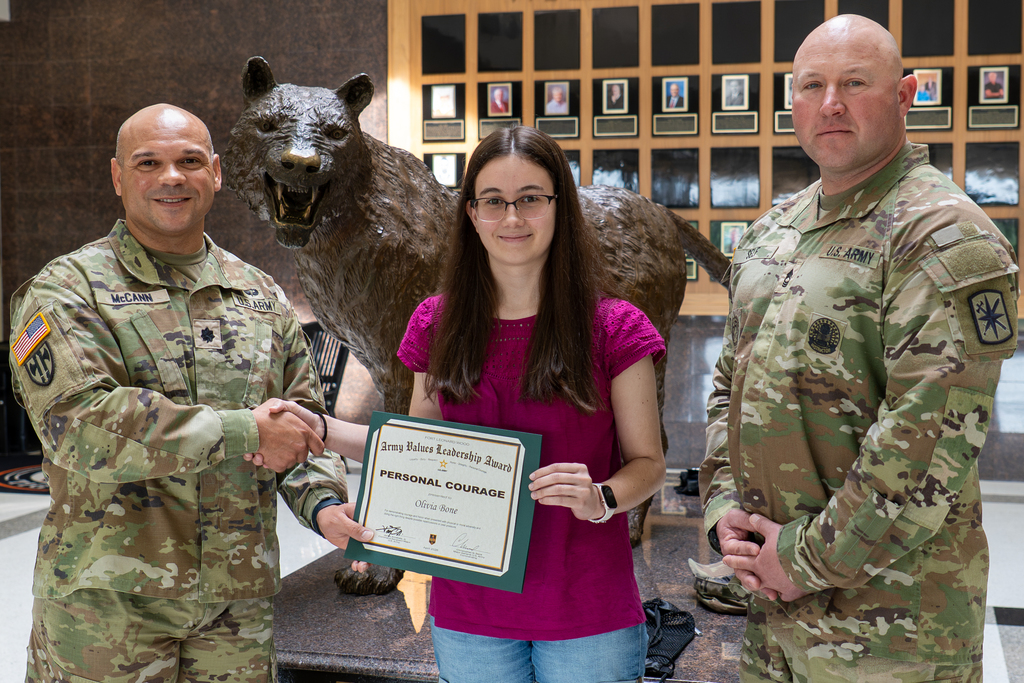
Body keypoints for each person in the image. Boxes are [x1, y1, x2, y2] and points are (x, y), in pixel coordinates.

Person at [272, 126, 667, 683]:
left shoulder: (614, 327)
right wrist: (320, 427)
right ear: (472, 213)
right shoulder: (436, 323)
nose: (512, 218)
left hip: (586, 608)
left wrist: (602, 497)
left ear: (561, 207)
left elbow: (649, 464)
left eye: (531, 198)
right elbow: (416, 451)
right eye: (494, 201)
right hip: (469, 614)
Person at [700, 14, 1018, 683]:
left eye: (854, 83)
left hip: (892, 632)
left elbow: (924, 444)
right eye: (812, 85)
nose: (831, 103)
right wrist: (724, 510)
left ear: (905, 95)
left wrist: (802, 559)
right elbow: (729, 386)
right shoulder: (770, 233)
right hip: (773, 615)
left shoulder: (941, 235)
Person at [9, 104, 350, 682]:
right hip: (108, 607)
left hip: (237, 604)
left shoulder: (260, 295)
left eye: (189, 161)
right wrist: (244, 430)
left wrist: (324, 504)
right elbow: (78, 424)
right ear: (118, 177)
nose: (171, 177)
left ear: (214, 172)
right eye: (148, 163)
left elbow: (300, 419)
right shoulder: (66, 289)